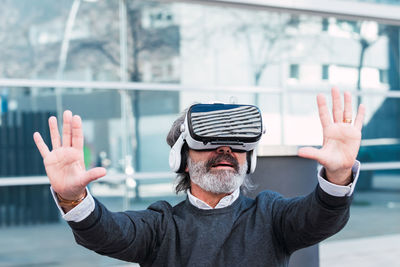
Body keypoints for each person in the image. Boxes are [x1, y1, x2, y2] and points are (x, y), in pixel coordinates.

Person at [33, 88, 365, 267]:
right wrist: (74, 198)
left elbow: (319, 219)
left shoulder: (271, 215)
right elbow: (108, 234)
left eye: (237, 145)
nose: (226, 151)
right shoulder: (161, 225)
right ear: (182, 158)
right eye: (209, 143)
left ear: (248, 158)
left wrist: (338, 175)